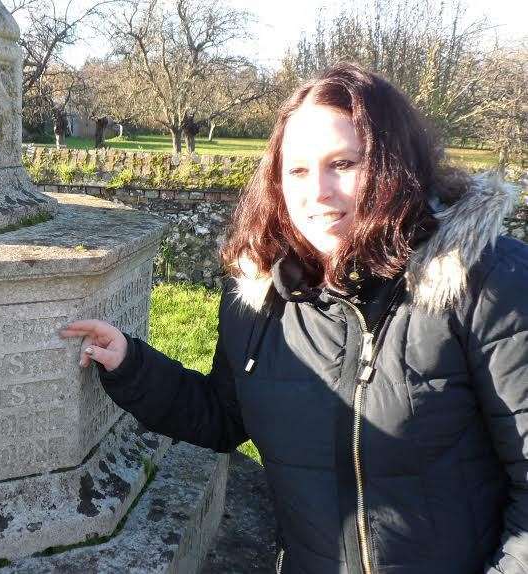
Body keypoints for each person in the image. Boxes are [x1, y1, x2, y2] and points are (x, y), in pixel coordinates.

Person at [61, 63, 528, 574]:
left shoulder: (484, 283)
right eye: (298, 170)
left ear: (398, 164)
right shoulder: (263, 295)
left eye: (345, 164)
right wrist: (131, 365)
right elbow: (223, 416)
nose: (319, 192)